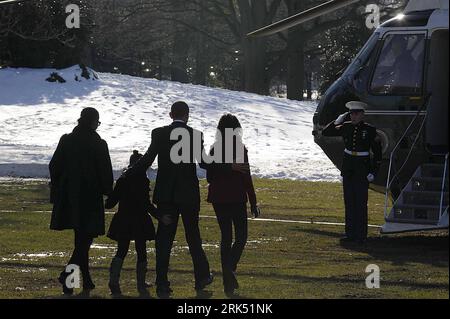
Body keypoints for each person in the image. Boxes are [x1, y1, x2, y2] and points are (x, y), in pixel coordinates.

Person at [125, 101, 249, 298]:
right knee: (193, 238)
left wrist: (128, 174)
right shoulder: (195, 135)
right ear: (188, 115)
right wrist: (230, 167)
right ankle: (201, 277)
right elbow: (206, 164)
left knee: (164, 241)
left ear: (170, 114)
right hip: (188, 195)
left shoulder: (159, 133)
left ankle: (162, 283)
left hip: (166, 195)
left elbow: (147, 160)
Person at [49, 107, 113, 294]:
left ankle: (81, 282)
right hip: (90, 198)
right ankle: (68, 276)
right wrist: (108, 192)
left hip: (69, 197)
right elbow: (105, 173)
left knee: (81, 240)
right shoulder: (98, 143)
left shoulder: (66, 140)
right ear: (93, 122)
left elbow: (54, 166)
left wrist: (60, 186)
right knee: (85, 240)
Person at [206, 114, 260, 295]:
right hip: (236, 197)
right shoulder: (240, 148)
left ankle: (227, 278)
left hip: (218, 198)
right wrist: (253, 201)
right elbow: (247, 176)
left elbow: (209, 175)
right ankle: (229, 270)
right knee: (241, 237)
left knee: (226, 237)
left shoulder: (215, 149)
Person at [322, 101, 382, 243]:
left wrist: (373, 171)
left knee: (360, 203)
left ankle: (361, 235)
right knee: (349, 202)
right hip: (349, 169)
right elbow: (326, 132)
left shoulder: (370, 130)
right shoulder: (346, 127)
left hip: (362, 169)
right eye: (351, 114)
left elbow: (377, 154)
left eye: (356, 114)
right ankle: (350, 234)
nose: (353, 116)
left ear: (362, 114)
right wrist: (337, 120)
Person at [105, 150, 158, 296]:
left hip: (123, 218)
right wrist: (158, 216)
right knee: (141, 250)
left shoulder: (123, 178)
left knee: (121, 250)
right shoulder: (142, 179)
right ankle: (141, 283)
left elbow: (111, 202)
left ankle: (113, 280)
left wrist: (107, 198)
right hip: (140, 219)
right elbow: (146, 203)